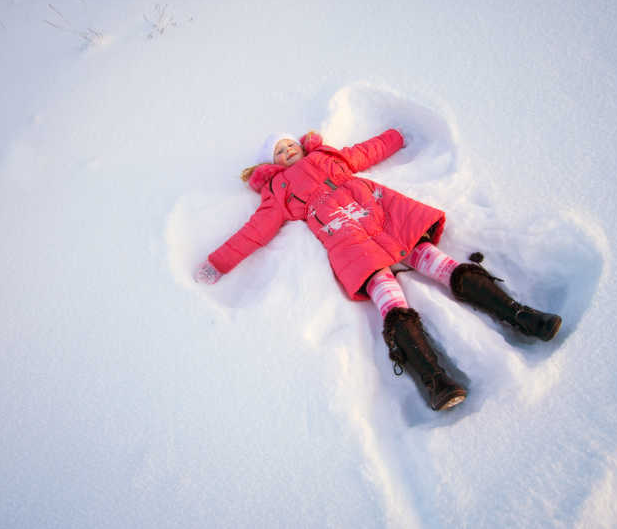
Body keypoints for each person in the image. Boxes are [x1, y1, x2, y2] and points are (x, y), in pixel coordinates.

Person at [194, 129, 561, 410]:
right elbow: (254, 231)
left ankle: (521, 315)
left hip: (383, 212)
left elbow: (365, 151)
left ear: (303, 146)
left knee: (437, 261)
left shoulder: (329, 156)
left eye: (290, 145)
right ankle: (435, 381)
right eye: (279, 151)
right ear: (270, 164)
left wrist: (396, 136)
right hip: (347, 236)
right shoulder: (278, 190)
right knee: (388, 297)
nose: (288, 151)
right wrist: (217, 263)